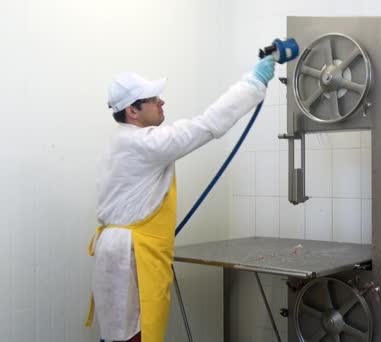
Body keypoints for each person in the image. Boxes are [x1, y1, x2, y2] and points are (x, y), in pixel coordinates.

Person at [85, 56, 276, 342]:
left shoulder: (120, 143)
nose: (161, 102)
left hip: (120, 253)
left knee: (119, 335)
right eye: (153, 99)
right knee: (135, 335)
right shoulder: (144, 143)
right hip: (132, 257)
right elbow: (207, 124)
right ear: (132, 111)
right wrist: (254, 82)